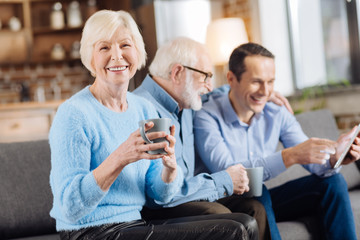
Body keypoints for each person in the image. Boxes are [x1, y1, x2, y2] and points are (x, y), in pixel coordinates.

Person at [49, 10, 257, 240]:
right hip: (88, 231)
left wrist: (170, 170)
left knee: (246, 222)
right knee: (233, 230)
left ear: (137, 53)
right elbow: (70, 206)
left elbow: (159, 195)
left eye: (125, 45)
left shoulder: (143, 109)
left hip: (133, 223)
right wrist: (120, 157)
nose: (117, 56)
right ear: (90, 58)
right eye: (104, 48)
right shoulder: (74, 114)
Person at [193, 42, 360, 240]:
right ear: (231, 78)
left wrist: (335, 159)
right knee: (255, 189)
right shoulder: (206, 116)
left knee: (332, 182)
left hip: (263, 201)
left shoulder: (276, 112)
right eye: (256, 81)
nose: (265, 91)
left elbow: (314, 160)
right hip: (224, 204)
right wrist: (291, 155)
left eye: (270, 81)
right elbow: (229, 171)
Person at [134, 37, 293, 240]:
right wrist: (224, 180)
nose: (209, 86)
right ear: (177, 73)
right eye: (205, 77)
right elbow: (160, 196)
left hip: (187, 198)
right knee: (221, 217)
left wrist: (261, 92)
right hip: (159, 206)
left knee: (254, 208)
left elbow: (221, 91)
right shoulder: (146, 112)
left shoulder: (186, 100)